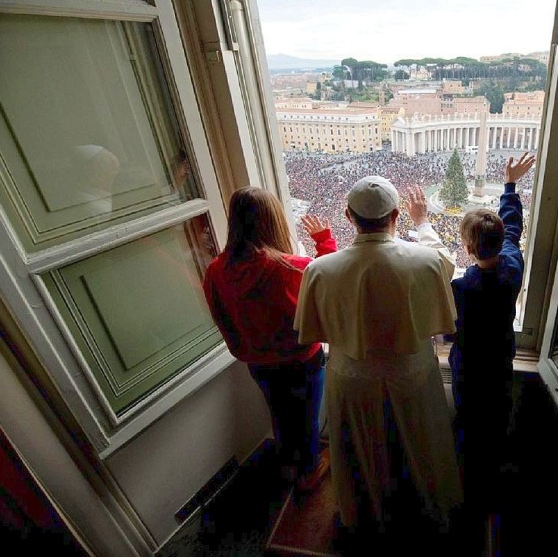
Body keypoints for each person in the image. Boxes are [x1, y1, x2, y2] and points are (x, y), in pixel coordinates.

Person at [294, 176, 462, 538]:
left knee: (359, 451)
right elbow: (447, 262)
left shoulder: (319, 270)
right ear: (396, 215)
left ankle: (363, 515)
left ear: (348, 217)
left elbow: (312, 330)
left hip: (350, 377)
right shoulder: (428, 261)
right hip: (413, 375)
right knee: (419, 447)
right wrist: (423, 223)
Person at [202, 186, 336, 492]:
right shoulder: (288, 267)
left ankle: (289, 466)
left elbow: (220, 317)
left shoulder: (215, 270)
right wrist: (324, 241)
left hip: (258, 363)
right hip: (300, 362)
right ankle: (309, 471)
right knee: (306, 420)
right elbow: (327, 285)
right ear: (273, 221)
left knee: (279, 415)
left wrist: (243, 349)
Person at [447, 151, 535, 533]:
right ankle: (492, 492)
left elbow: (448, 328)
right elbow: (513, 230)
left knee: (467, 427)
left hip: (468, 370)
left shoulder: (461, 288)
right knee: (497, 424)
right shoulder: (513, 265)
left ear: (467, 248)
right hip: (500, 363)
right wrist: (510, 186)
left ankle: (467, 491)